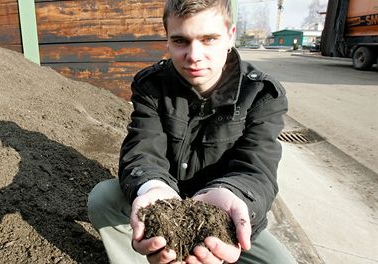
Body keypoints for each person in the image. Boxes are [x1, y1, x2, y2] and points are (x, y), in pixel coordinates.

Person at [88, 0, 296, 263]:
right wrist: (153, 189)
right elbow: (142, 148)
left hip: (224, 212)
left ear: (230, 36)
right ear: (167, 40)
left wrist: (232, 197)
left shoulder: (261, 95)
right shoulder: (152, 86)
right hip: (167, 200)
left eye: (209, 39)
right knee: (103, 199)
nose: (194, 55)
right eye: (180, 41)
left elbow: (257, 168)